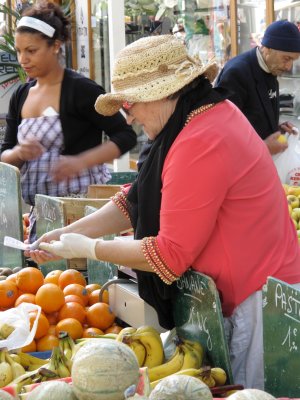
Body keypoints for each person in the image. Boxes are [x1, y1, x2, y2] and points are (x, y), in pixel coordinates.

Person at [26, 35, 300, 390]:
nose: (131, 116)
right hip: (249, 288)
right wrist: (69, 233)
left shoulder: (200, 139)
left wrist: (88, 249)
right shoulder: (200, 117)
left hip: (257, 298)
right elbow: (134, 200)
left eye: (130, 104)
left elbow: (168, 256)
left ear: (160, 93)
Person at [0, 1, 136, 240]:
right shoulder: (21, 95)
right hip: (40, 218)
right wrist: (19, 153)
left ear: (55, 46)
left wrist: (80, 161)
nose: (23, 59)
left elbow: (125, 136)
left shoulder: (81, 89)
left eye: (31, 51)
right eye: (19, 51)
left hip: (84, 217)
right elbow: (5, 157)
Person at [215, 20, 300, 155]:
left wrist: (276, 129)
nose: (288, 67)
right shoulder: (236, 73)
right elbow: (223, 134)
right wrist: (264, 147)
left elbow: (253, 117)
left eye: (292, 60)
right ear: (267, 49)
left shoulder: (270, 68)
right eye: (286, 58)